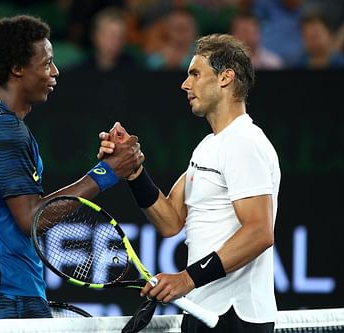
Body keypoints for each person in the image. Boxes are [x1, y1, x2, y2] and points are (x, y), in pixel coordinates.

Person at [0, 15, 144, 319]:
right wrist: (108, 172)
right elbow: (31, 218)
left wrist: (106, 168)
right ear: (17, 69)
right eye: (46, 64)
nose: (55, 72)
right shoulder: (5, 130)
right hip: (6, 299)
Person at [99, 34, 280, 332]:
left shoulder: (245, 142)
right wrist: (133, 172)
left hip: (236, 317)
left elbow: (260, 232)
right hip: (203, 310)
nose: (185, 84)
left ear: (225, 78)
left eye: (195, 73)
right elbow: (170, 220)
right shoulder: (209, 145)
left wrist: (186, 278)